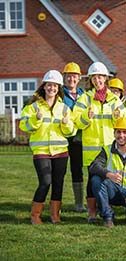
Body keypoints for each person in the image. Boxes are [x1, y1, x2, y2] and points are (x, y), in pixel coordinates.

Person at [72, 61, 126, 223]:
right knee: (92, 181)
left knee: (107, 179)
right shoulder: (85, 98)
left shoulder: (114, 99)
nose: (98, 80)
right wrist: (85, 117)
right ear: (90, 79)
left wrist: (117, 117)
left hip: (110, 149)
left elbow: (125, 121)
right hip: (92, 149)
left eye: (101, 77)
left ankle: (106, 209)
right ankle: (91, 213)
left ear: (105, 78)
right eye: (95, 77)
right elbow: (76, 121)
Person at [20, 70, 76, 224]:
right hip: (41, 151)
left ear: (58, 88)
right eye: (49, 85)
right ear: (44, 86)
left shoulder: (64, 108)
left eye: (55, 86)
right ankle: (35, 216)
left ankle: (55, 215)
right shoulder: (33, 106)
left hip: (61, 152)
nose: (52, 88)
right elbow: (23, 125)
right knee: (45, 182)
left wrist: (66, 123)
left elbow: (71, 132)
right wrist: (35, 119)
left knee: (58, 184)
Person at [89, 118, 126, 228]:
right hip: (113, 189)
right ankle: (108, 217)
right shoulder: (107, 150)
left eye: (125, 132)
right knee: (96, 180)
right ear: (114, 133)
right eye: (118, 132)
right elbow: (94, 166)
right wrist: (109, 174)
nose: (121, 135)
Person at [61, 62, 86, 212]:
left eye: (74, 76)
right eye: (69, 76)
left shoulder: (84, 95)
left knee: (78, 170)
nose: (72, 79)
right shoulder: (59, 94)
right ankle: (55, 203)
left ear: (79, 78)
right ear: (64, 78)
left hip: (80, 139)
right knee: (60, 171)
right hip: (63, 139)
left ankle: (79, 204)